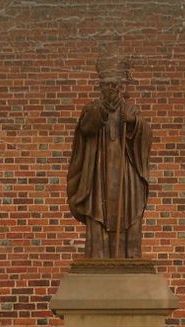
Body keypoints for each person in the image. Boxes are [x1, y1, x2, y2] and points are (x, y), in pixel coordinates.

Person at [66, 56, 152, 258]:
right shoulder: (92, 109)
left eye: (115, 84)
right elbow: (86, 127)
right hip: (98, 174)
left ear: (121, 85)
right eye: (107, 84)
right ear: (100, 86)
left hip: (126, 175)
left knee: (130, 213)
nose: (111, 88)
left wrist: (133, 123)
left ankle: (129, 259)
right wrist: (101, 112)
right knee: (98, 214)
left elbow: (146, 138)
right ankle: (98, 258)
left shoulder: (130, 109)